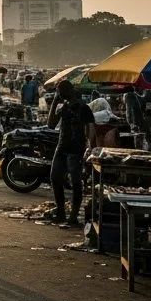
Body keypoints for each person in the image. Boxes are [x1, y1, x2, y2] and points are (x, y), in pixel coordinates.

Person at [47, 81, 94, 228]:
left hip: (76, 149)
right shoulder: (64, 108)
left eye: (60, 92)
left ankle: (73, 215)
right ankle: (61, 210)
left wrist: (89, 147)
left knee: (75, 183)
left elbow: (90, 129)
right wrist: (55, 103)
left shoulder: (83, 108)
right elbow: (51, 124)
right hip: (62, 147)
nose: (60, 95)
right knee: (55, 178)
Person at [122, 86, 151, 151]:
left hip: (134, 119)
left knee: (137, 135)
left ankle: (139, 148)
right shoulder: (130, 95)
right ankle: (139, 149)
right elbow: (133, 109)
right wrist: (134, 123)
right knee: (138, 135)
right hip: (135, 120)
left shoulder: (129, 95)